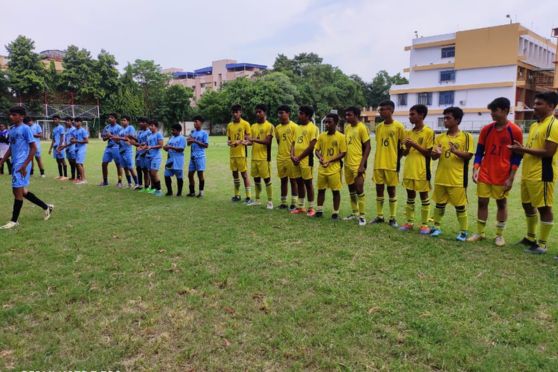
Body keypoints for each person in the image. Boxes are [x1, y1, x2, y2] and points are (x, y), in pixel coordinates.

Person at [468, 97, 523, 246]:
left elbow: (517, 157)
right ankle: (480, 233)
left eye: (495, 110)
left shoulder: (515, 131)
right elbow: (479, 152)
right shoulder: (486, 129)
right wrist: (475, 168)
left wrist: (511, 177)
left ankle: (499, 235)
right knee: (482, 201)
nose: (492, 114)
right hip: (485, 172)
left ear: (505, 110)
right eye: (491, 111)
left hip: (502, 174)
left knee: (501, 203)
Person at [509, 92, 558, 255]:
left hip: (543, 173)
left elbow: (548, 152)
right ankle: (530, 237)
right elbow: (532, 148)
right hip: (528, 172)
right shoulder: (535, 125)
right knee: (527, 205)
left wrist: (522, 149)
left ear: (551, 106)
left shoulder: (554, 125)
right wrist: (520, 149)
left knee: (544, 207)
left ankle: (542, 244)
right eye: (535, 103)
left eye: (539, 104)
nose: (535, 107)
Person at [0, 106, 53, 230]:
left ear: (21, 116)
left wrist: (24, 165)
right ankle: (46, 207)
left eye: (14, 115)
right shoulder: (12, 130)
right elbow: (10, 148)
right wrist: (2, 160)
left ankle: (14, 221)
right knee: (21, 191)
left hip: (22, 164)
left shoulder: (26, 129)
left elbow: (33, 147)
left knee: (17, 191)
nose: (11, 117)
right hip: (15, 163)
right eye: (10, 114)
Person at [430, 107, 474, 241]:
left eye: (448, 118)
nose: (445, 120)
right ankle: (436, 227)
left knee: (460, 206)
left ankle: (463, 231)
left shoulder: (466, 137)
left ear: (457, 120)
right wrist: (435, 154)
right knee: (439, 204)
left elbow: (468, 155)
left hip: (457, 179)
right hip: (441, 177)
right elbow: (433, 157)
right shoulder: (440, 137)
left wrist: (455, 151)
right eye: (444, 118)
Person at [400, 104, 435, 234]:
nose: (410, 117)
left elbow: (428, 153)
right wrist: (408, 147)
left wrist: (414, 144)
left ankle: (424, 225)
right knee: (410, 196)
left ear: (421, 115)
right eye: (409, 114)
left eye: (412, 114)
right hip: (409, 169)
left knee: (424, 196)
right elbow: (404, 153)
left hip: (422, 170)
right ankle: (409, 222)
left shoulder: (429, 132)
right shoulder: (408, 132)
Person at [371, 100, 406, 227]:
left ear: (391, 110)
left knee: (391, 190)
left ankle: (393, 218)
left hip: (391, 164)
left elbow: (403, 147)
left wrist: (397, 159)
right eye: (380, 110)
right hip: (378, 163)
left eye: (383, 109)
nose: (381, 112)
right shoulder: (379, 127)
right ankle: (380, 216)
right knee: (379, 189)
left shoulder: (399, 127)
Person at [342, 106, 371, 226]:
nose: (347, 117)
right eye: (346, 115)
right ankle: (354, 213)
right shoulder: (347, 127)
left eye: (350, 115)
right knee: (351, 189)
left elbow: (368, 147)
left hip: (357, 164)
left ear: (356, 115)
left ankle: (362, 216)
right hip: (347, 164)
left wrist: (362, 164)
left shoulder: (362, 128)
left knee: (359, 189)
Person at [315, 113, 346, 219]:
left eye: (329, 122)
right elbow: (316, 150)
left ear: (336, 123)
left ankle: (335, 213)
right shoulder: (322, 135)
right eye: (326, 122)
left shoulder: (341, 137)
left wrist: (330, 160)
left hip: (334, 169)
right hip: (322, 168)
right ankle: (319, 211)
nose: (327, 124)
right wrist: (320, 158)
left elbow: (343, 153)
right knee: (320, 190)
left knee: (335, 191)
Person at [290, 105, 319, 216]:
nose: (299, 115)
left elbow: (311, 146)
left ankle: (311, 208)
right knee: (299, 183)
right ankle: (300, 207)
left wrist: (299, 157)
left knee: (308, 183)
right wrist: (292, 155)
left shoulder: (313, 128)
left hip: (306, 160)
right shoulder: (297, 128)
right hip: (295, 160)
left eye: (301, 113)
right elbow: (293, 143)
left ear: (307, 116)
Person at [247, 104, 274, 208]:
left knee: (267, 179)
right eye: (256, 112)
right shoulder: (253, 126)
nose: (258, 114)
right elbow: (251, 142)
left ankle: (270, 201)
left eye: (260, 112)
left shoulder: (269, 126)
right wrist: (245, 142)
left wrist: (252, 139)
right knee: (256, 179)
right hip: (254, 157)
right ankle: (257, 200)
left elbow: (267, 141)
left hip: (264, 158)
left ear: (264, 112)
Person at [274, 105, 298, 210]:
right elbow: (279, 142)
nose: (279, 115)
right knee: (283, 180)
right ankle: (283, 203)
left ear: (288, 113)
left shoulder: (294, 127)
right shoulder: (277, 128)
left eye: (282, 113)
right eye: (278, 113)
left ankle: (294, 203)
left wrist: (292, 155)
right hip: (280, 157)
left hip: (290, 158)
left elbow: (295, 144)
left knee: (293, 180)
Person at [226, 105, 252, 203]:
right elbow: (228, 140)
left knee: (244, 175)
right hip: (232, 154)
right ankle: (237, 195)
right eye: (233, 112)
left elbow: (249, 141)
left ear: (240, 112)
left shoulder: (245, 124)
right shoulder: (229, 125)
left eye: (237, 112)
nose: (235, 114)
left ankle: (249, 197)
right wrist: (230, 143)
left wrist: (239, 142)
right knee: (235, 175)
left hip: (242, 154)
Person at [114, 115, 139, 189]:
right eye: (122, 120)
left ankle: (137, 183)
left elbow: (130, 139)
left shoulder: (130, 128)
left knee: (130, 167)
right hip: (121, 150)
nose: (122, 121)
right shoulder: (121, 130)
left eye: (124, 120)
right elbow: (119, 140)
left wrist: (119, 138)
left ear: (128, 121)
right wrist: (116, 140)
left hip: (128, 150)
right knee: (125, 167)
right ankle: (129, 183)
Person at [187, 116, 209, 197]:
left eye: (196, 121)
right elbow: (189, 144)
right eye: (194, 122)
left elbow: (206, 145)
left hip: (200, 156)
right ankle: (192, 192)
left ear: (201, 123)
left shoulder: (204, 133)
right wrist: (189, 141)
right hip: (192, 157)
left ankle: (201, 192)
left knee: (200, 175)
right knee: (190, 175)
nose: (194, 123)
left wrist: (195, 141)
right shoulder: (193, 132)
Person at [99, 113, 123, 187]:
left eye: (112, 117)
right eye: (109, 117)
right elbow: (103, 138)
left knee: (118, 165)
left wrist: (111, 136)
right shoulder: (107, 127)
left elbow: (120, 139)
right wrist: (107, 136)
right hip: (108, 147)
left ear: (115, 119)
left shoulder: (119, 128)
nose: (110, 119)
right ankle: (105, 181)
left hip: (116, 147)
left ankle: (120, 182)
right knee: (104, 163)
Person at [141, 119, 164, 196]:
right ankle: (153, 189)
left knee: (154, 173)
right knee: (150, 173)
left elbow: (161, 145)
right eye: (149, 126)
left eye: (152, 126)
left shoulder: (158, 134)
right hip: (149, 156)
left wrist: (151, 147)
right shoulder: (149, 135)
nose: (150, 127)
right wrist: (143, 147)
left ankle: (159, 190)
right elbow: (147, 145)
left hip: (156, 157)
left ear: (156, 126)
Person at [164, 124, 186, 196]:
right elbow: (167, 146)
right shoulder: (171, 137)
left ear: (179, 130)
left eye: (173, 130)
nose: (172, 131)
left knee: (179, 177)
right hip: (170, 160)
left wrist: (171, 147)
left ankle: (179, 193)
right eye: (172, 130)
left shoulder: (182, 138)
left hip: (178, 160)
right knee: (166, 175)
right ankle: (169, 191)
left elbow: (181, 149)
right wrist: (165, 148)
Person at [133, 118, 151, 192]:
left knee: (145, 170)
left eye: (141, 122)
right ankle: (140, 185)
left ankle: (147, 186)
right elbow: (138, 141)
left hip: (145, 153)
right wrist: (132, 140)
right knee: (138, 168)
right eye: (139, 122)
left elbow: (148, 143)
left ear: (146, 123)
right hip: (138, 153)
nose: (139, 124)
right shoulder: (139, 131)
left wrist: (137, 144)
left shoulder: (149, 132)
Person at [48, 115, 67, 180]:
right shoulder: (54, 129)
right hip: (55, 147)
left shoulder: (61, 127)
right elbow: (53, 139)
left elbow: (62, 137)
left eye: (56, 119)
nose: (54, 120)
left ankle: (65, 176)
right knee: (58, 161)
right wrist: (50, 149)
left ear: (59, 120)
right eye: (54, 119)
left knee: (62, 160)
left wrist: (59, 146)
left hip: (60, 146)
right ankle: (60, 175)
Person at [72, 117, 89, 184]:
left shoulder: (83, 130)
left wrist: (76, 140)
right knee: (80, 164)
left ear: (80, 122)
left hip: (82, 148)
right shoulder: (75, 131)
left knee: (78, 163)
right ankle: (81, 178)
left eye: (77, 121)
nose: (75, 123)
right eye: (75, 122)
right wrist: (72, 140)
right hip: (76, 148)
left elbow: (86, 141)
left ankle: (83, 179)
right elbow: (74, 139)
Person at [60, 117, 78, 181]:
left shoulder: (74, 129)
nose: (67, 122)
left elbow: (73, 140)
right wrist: (64, 145)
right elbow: (65, 139)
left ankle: (78, 177)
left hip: (72, 147)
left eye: (68, 121)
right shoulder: (67, 129)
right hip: (67, 148)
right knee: (70, 163)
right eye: (66, 121)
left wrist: (65, 146)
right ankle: (73, 176)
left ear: (71, 122)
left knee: (75, 162)